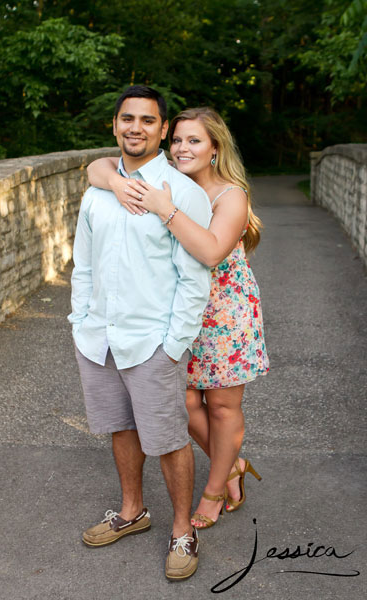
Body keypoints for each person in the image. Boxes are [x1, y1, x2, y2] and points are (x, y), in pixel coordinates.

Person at [87, 106, 269, 530]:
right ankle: (234, 466)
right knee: (183, 404)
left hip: (223, 314)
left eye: (195, 141)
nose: (183, 148)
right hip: (173, 310)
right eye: (179, 140)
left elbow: (208, 251)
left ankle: (213, 490)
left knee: (221, 407)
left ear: (214, 149)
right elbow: (96, 166)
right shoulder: (167, 177)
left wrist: (163, 208)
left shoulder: (230, 195)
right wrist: (116, 180)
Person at [68, 87, 212, 580]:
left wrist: (173, 344)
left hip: (152, 341)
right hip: (98, 337)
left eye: (148, 120)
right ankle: (132, 511)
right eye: (127, 119)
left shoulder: (183, 193)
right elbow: (82, 264)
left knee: (169, 438)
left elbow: (195, 278)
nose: (136, 127)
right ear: (114, 126)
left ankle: (181, 530)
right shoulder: (97, 191)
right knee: (120, 427)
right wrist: (79, 320)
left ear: (163, 130)